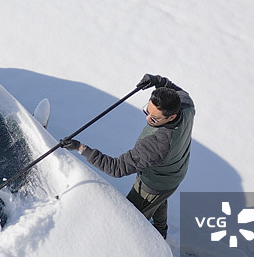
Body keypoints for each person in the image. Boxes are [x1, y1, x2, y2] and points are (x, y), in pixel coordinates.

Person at [60, 74, 195, 239]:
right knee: (159, 200)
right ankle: (161, 231)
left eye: (154, 118)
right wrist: (159, 81)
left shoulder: (157, 145)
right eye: (147, 110)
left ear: (171, 117)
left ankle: (149, 247)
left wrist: (81, 148)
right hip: (175, 170)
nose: (147, 119)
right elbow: (176, 90)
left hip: (153, 184)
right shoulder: (187, 105)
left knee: (133, 220)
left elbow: (116, 168)